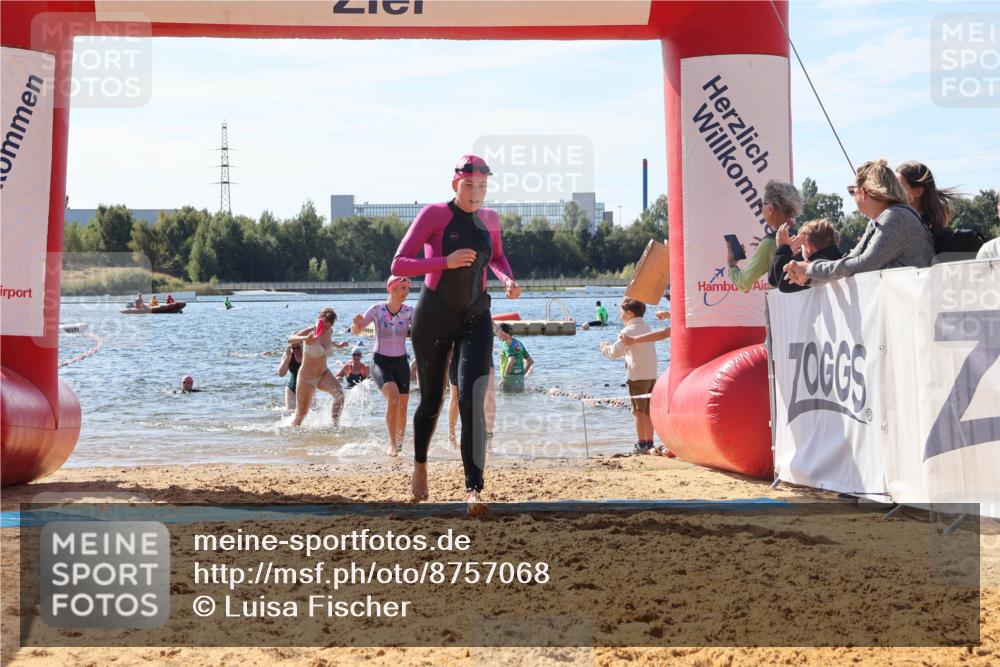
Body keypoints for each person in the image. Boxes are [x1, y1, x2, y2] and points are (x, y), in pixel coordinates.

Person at [390, 154, 520, 514]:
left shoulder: (490, 219)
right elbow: (399, 264)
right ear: (455, 184)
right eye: (469, 186)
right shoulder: (434, 215)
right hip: (434, 316)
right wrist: (443, 262)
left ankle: (474, 490)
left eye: (482, 186)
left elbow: (497, 257)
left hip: (476, 316)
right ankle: (420, 464)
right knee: (432, 402)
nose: (476, 193)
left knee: (472, 400)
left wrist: (507, 279)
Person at [785, 159, 934, 287]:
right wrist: (808, 277)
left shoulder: (895, 217)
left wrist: (810, 269)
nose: (852, 196)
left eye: (852, 191)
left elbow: (864, 265)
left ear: (862, 192)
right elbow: (850, 262)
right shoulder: (882, 219)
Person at [351, 275, 414, 456]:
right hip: (381, 362)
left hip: (401, 363)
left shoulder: (410, 311)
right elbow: (356, 331)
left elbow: (422, 330)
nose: (406, 292)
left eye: (408, 289)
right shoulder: (377, 310)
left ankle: (400, 444)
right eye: (403, 288)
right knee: (393, 398)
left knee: (402, 406)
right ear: (391, 288)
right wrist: (356, 323)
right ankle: (392, 444)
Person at [601, 299, 658, 455]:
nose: (620, 314)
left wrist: (604, 348)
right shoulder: (647, 327)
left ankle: (641, 444)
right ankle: (649, 442)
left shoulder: (627, 331)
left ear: (629, 313)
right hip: (651, 373)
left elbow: (614, 352)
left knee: (638, 411)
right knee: (648, 411)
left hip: (637, 375)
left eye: (622, 311)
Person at [728, 180, 803, 292]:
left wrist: (732, 265)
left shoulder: (769, 243)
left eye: (761, 205)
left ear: (770, 209)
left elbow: (744, 283)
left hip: (782, 302)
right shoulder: (804, 234)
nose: (761, 209)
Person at [287, 307, 349, 427]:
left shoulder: (329, 331)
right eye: (324, 321)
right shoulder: (312, 331)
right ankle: (292, 433)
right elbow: (290, 340)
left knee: (340, 395)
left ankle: (334, 426)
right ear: (320, 318)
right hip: (306, 379)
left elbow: (328, 343)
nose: (326, 325)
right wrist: (305, 338)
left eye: (329, 322)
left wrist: (339, 346)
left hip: (323, 373)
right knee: (301, 416)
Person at [768, 218, 843, 293]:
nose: (800, 249)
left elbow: (784, 285)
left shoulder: (817, 265)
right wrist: (787, 253)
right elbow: (774, 280)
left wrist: (783, 249)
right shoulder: (834, 261)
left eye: (802, 245)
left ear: (808, 246)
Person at [447, 346, 496, 450]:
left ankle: (489, 440)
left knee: (490, 394)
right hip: (458, 348)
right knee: (455, 397)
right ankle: (452, 437)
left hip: (483, 347)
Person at [497, 323, 533, 392]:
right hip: (520, 381)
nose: (496, 335)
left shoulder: (506, 344)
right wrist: (522, 375)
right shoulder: (518, 343)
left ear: (502, 332)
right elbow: (530, 361)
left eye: (497, 332)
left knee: (506, 398)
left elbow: (511, 361)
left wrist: (504, 378)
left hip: (509, 381)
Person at [277, 342, 303, 410]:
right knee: (290, 412)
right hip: (291, 389)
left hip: (307, 389)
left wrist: (304, 351)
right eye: (293, 347)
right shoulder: (288, 353)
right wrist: (288, 356)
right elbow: (281, 374)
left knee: (307, 413)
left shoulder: (308, 353)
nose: (296, 350)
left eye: (298, 347)